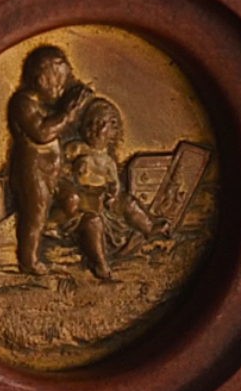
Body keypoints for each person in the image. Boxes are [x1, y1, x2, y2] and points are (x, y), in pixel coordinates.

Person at [49, 95, 164, 281]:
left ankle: (148, 227)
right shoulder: (76, 149)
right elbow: (57, 169)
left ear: (113, 131)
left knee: (128, 202)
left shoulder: (108, 162)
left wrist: (113, 196)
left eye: (102, 124)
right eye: (90, 123)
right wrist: (69, 174)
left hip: (102, 203)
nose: (94, 128)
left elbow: (114, 185)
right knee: (92, 222)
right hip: (78, 208)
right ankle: (100, 262)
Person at [5, 45, 93, 276]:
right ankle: (28, 260)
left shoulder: (46, 104)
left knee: (72, 199)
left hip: (52, 172)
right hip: (32, 173)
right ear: (39, 80)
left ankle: (49, 230)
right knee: (34, 214)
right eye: (57, 85)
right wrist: (66, 114)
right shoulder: (22, 102)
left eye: (63, 85)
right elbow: (42, 133)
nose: (61, 90)